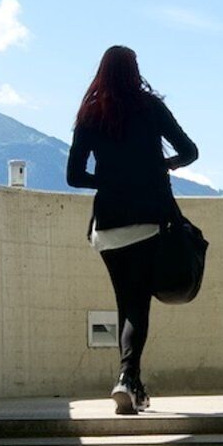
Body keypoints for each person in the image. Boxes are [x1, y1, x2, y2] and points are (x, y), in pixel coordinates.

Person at [65, 45, 200, 414]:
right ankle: (126, 378)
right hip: (148, 219)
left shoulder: (90, 113)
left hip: (107, 226)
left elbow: (74, 176)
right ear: (134, 70)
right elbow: (190, 151)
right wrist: (163, 166)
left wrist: (111, 180)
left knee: (126, 302)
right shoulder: (150, 107)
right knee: (137, 305)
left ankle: (134, 386)